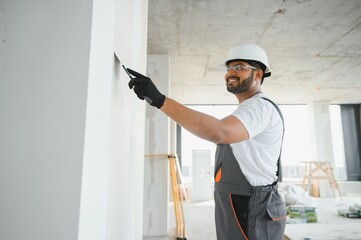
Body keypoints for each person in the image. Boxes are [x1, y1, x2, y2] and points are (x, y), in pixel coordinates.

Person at [128, 43, 287, 240]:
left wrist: (159, 100)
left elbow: (219, 132)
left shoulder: (259, 108)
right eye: (229, 68)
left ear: (258, 75)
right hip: (237, 199)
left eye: (239, 67)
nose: (230, 73)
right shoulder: (245, 110)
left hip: (252, 203)